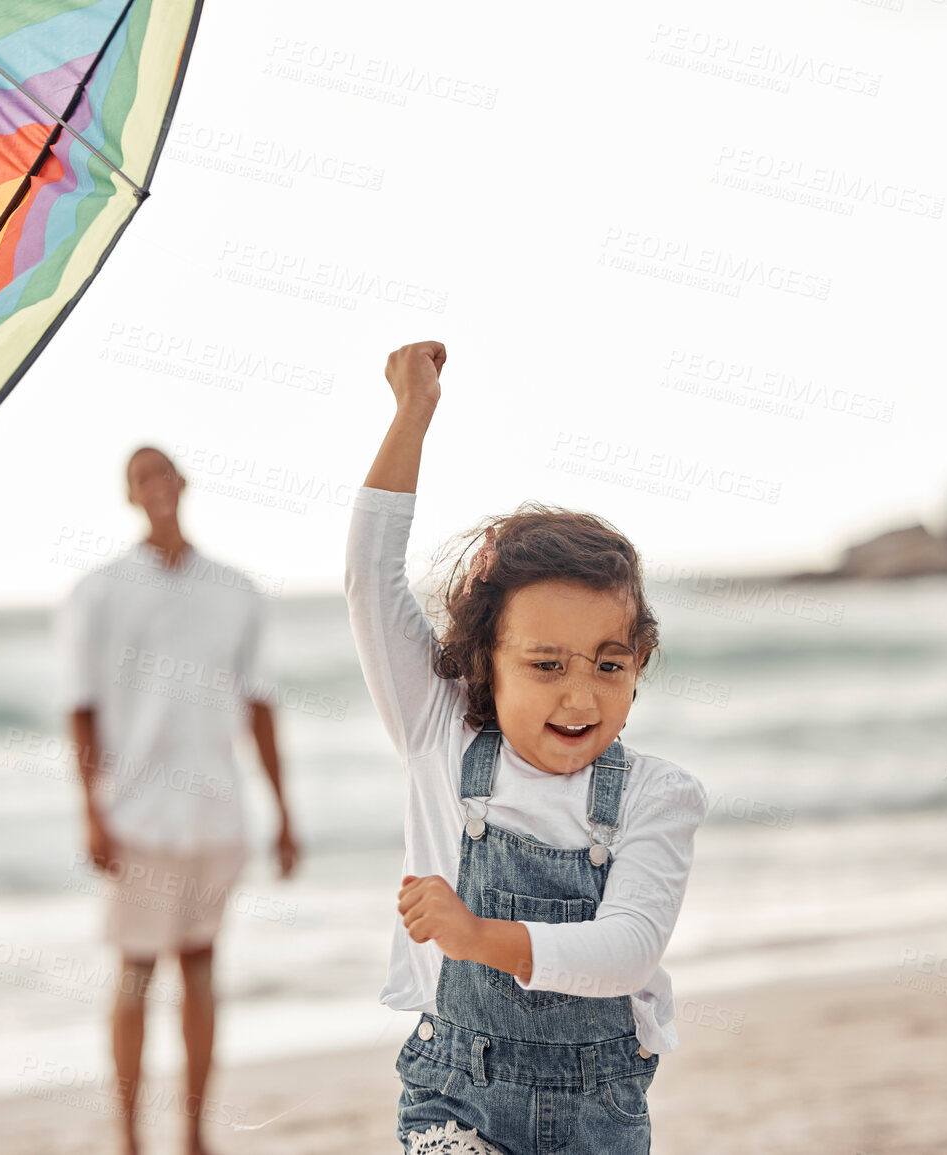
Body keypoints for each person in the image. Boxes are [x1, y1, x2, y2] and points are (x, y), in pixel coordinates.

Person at [346, 341, 707, 1155]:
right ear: (485, 660)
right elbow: (369, 579)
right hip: (455, 1096)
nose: (579, 696)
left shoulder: (656, 794)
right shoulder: (437, 735)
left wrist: (475, 934)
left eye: (608, 665)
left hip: (595, 1116)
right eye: (545, 665)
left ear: (639, 662)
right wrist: (412, 414)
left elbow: (624, 952)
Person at [57, 445, 300, 1155]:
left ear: (183, 483)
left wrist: (282, 812)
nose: (156, 487)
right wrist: (90, 810)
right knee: (134, 969)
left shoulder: (234, 589)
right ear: (130, 496)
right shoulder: (99, 590)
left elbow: (259, 705)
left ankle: (194, 1135)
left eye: (163, 472)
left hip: (215, 814)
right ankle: (129, 1138)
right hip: (136, 815)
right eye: (141, 477)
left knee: (200, 967)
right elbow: (80, 706)